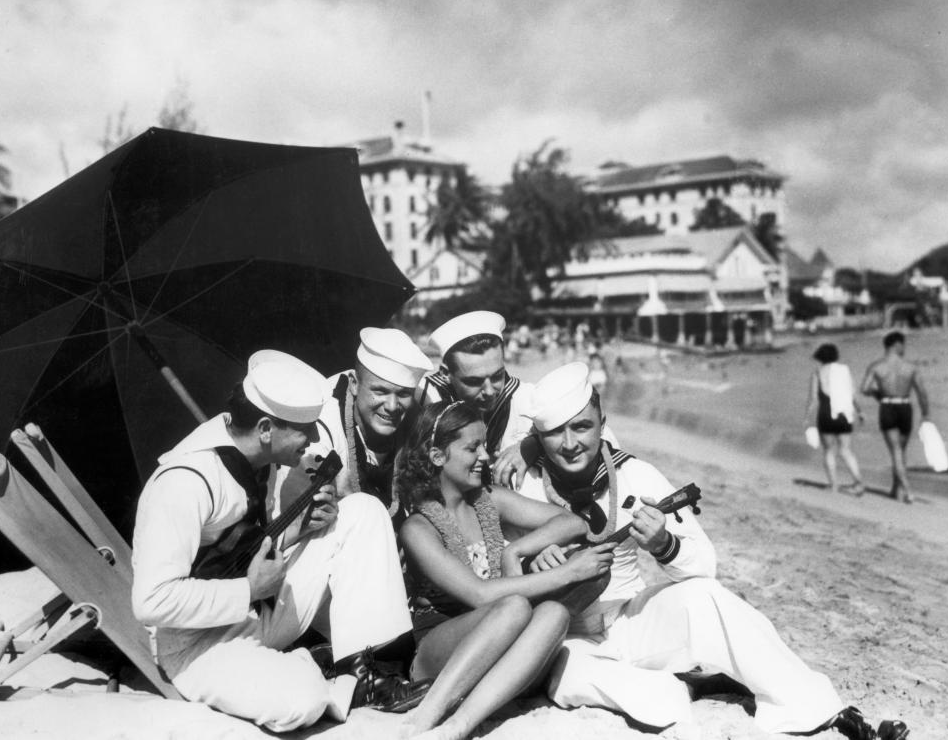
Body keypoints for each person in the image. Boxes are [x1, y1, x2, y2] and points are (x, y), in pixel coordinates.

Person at [512, 362, 906, 740]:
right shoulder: (520, 486)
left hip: (631, 621)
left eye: (581, 427)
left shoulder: (635, 474)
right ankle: (684, 686)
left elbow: (706, 565)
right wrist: (535, 568)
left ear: (602, 424)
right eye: (554, 433)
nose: (570, 444)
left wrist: (665, 545)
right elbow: (493, 576)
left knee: (706, 598)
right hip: (566, 635)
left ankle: (822, 708)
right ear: (537, 438)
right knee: (593, 685)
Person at [131, 350, 428, 732]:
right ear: (266, 428)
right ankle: (320, 669)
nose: (313, 438)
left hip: (258, 611)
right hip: (196, 644)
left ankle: (366, 672)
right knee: (303, 702)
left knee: (362, 512)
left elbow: (237, 549)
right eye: (304, 429)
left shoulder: (254, 456)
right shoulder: (183, 483)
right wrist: (249, 589)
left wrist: (294, 533)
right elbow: (151, 602)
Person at [395, 400, 617, 740]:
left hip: (502, 640)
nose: (485, 456)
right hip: (436, 652)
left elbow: (572, 522)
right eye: (472, 448)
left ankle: (458, 726)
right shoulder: (418, 527)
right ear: (438, 456)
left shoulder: (489, 500)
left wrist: (516, 550)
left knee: (556, 613)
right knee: (515, 606)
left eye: (484, 445)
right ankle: (425, 717)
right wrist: (568, 573)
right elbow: (479, 594)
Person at [418, 310, 617, 489]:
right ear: (445, 373)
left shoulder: (525, 397)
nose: (489, 391)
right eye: (474, 381)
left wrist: (535, 444)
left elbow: (602, 437)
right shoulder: (423, 399)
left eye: (497, 376)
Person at [272, 327, 432, 530]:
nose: (392, 406)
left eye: (403, 394)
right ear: (355, 384)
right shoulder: (320, 429)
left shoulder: (416, 423)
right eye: (380, 391)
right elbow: (293, 518)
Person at [861, 331, 931, 503]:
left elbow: (864, 388)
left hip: (888, 407)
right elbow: (922, 392)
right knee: (901, 450)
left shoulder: (876, 366)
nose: (904, 348)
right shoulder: (911, 367)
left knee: (895, 451)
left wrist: (879, 394)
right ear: (896, 345)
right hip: (905, 406)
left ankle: (904, 490)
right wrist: (926, 414)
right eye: (903, 345)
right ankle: (898, 491)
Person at [803, 343, 865, 496]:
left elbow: (813, 399)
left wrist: (807, 417)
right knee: (845, 449)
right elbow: (852, 394)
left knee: (829, 450)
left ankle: (833, 486)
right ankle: (858, 482)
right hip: (844, 414)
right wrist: (860, 411)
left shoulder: (817, 372)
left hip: (826, 414)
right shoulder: (844, 370)